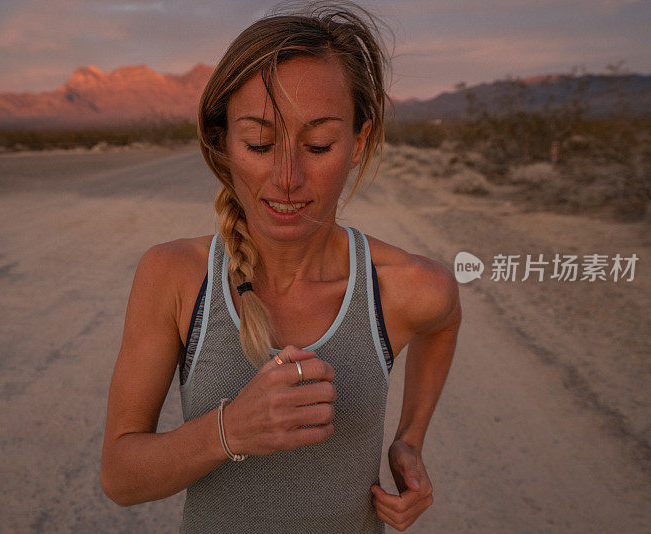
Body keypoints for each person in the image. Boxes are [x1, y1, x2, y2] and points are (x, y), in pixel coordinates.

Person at [100, 2, 461, 532]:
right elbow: (120, 477)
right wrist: (231, 431)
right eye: (260, 143)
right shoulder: (175, 277)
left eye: (318, 145)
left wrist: (410, 438)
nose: (287, 176)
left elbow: (445, 318)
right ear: (223, 141)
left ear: (358, 144)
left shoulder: (404, 286)